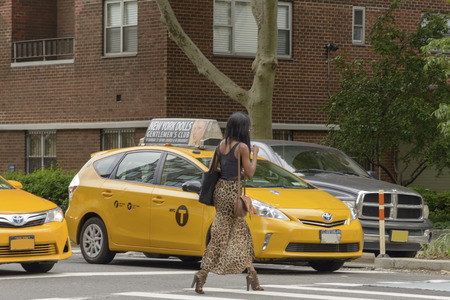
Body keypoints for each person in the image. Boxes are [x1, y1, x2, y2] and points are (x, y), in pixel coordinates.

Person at [191, 112, 263, 294]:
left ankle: (251, 276)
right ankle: (204, 273)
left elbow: (214, 168)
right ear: (241, 127)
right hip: (233, 191)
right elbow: (251, 172)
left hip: (220, 190)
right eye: (247, 126)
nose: (248, 129)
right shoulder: (243, 147)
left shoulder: (220, 145)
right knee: (231, 235)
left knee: (235, 232)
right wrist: (255, 155)